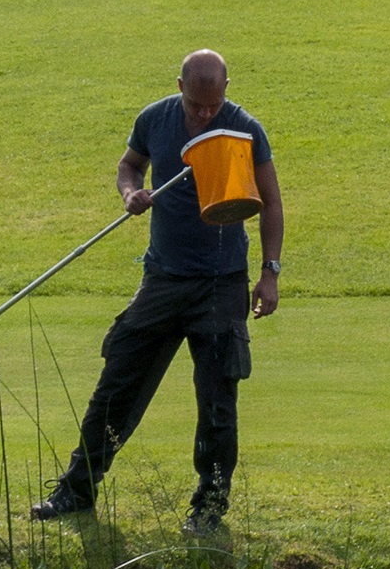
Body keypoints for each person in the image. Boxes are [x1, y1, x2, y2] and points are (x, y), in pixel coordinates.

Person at [33, 49, 283, 533]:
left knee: (216, 402)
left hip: (221, 283)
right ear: (180, 87)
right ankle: (76, 491)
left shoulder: (244, 130)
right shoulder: (155, 118)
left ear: (226, 89)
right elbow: (129, 165)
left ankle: (209, 509)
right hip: (163, 279)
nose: (205, 115)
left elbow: (271, 201)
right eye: (195, 106)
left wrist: (269, 272)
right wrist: (131, 193)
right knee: (118, 382)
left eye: (213, 105)